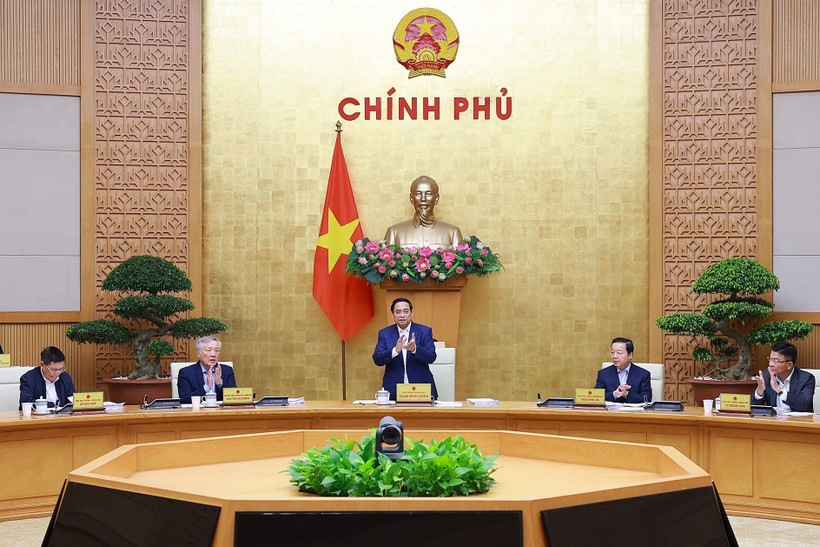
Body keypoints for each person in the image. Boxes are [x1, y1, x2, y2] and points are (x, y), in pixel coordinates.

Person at [372, 298, 438, 400]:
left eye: (406, 311)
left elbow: (431, 357)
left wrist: (415, 349)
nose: (402, 315)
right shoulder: (385, 333)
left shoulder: (424, 331)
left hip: (421, 389)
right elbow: (377, 359)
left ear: (411, 313)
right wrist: (395, 351)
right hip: (394, 389)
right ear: (393, 314)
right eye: (398, 312)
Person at [383, 175, 463, 250]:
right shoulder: (394, 232)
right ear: (411, 198)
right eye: (418, 194)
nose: (423, 199)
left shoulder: (452, 233)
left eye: (428, 194)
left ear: (436, 199)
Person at [753, 341, 815, 412]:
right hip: (775, 422)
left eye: (776, 361)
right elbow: (755, 409)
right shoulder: (766, 376)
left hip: (798, 422)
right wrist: (759, 392)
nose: (770, 364)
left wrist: (779, 390)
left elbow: (803, 406)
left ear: (789, 365)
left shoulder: (806, 379)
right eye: (770, 359)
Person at [177, 336, 237, 404]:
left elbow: (234, 398)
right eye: (209, 350)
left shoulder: (227, 370)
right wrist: (206, 388)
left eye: (216, 350)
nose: (213, 354)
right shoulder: (186, 373)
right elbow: (184, 399)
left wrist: (220, 384)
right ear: (198, 353)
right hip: (198, 412)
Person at [595, 337, 652, 403]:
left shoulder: (643, 374)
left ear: (630, 355)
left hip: (633, 412)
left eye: (619, 353)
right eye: (612, 352)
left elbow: (647, 398)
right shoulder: (603, 374)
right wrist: (614, 394)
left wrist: (627, 394)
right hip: (611, 412)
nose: (614, 356)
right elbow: (597, 397)